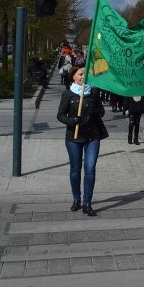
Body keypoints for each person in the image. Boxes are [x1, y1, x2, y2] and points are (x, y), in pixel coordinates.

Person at [56, 66, 108, 217]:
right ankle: (76, 199)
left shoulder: (93, 92)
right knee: (75, 169)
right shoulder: (68, 94)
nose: (83, 76)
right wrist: (72, 120)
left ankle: (87, 202)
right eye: (80, 74)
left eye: (86, 74)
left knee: (90, 169)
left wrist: (95, 111)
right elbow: (60, 115)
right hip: (74, 137)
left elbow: (102, 111)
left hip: (93, 137)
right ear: (73, 76)